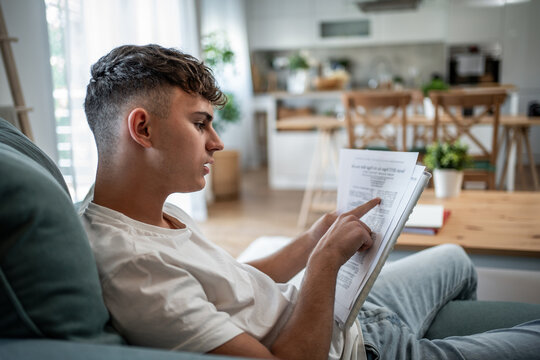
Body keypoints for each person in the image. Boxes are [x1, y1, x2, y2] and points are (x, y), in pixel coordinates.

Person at [80, 44, 540, 360]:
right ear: (142, 129)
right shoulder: (136, 268)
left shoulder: (152, 213)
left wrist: (311, 240)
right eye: (201, 123)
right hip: (359, 349)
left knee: (456, 257)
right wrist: (323, 264)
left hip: (345, 315)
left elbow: (236, 283)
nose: (216, 142)